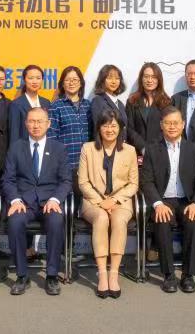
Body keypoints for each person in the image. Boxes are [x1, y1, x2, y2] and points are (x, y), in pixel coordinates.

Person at [2, 107, 72, 296]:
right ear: (26, 124)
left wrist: (56, 199)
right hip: (24, 203)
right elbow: (8, 180)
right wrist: (15, 200)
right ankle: (22, 275)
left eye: (40, 121)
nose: (35, 125)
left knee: (56, 221)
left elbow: (66, 180)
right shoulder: (16, 147)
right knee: (15, 222)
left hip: (50, 201)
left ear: (48, 124)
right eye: (32, 121)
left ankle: (52, 275)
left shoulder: (59, 149)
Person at [140, 106, 195, 293]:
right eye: (168, 123)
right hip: (163, 201)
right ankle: (169, 275)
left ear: (183, 124)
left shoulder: (194, 149)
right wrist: (157, 204)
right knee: (161, 221)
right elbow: (146, 181)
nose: (172, 127)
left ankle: (188, 275)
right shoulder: (152, 150)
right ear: (161, 125)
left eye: (176, 123)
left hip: (187, 201)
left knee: (193, 222)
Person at [78, 109, 139, 298]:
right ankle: (102, 273)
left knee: (119, 220)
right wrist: (101, 202)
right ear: (99, 128)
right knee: (102, 218)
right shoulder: (88, 148)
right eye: (105, 125)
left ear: (120, 128)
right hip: (93, 201)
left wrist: (114, 200)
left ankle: (114, 273)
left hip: (121, 200)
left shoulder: (129, 150)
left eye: (113, 126)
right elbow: (83, 182)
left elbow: (133, 184)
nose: (109, 129)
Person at [47, 65, 91, 184]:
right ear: (62, 84)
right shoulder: (56, 106)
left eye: (75, 79)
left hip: (88, 164)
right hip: (66, 164)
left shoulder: (88, 105)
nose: (71, 83)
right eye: (67, 80)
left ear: (81, 83)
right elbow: (51, 138)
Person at [126, 62, 171, 158]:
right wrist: (143, 147)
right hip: (137, 152)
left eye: (153, 77)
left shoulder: (166, 102)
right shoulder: (132, 101)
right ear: (141, 79)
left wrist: (153, 148)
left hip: (160, 151)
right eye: (146, 76)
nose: (149, 80)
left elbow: (168, 127)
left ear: (159, 79)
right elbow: (129, 128)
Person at [9, 64, 51, 143]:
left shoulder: (46, 103)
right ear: (24, 80)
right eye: (31, 78)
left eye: (38, 78)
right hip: (24, 147)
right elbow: (14, 134)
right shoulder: (16, 104)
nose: (35, 82)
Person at [89, 64, 128, 134]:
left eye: (117, 78)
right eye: (110, 78)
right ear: (102, 80)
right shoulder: (98, 101)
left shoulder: (120, 104)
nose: (114, 82)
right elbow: (98, 129)